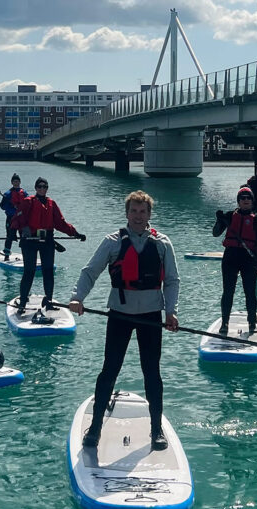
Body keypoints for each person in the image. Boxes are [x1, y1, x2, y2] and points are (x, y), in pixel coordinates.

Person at [69, 191, 180, 451]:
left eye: (143, 212)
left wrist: (171, 311)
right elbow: (90, 272)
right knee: (110, 370)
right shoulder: (112, 242)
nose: (138, 216)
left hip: (151, 317)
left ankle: (156, 429)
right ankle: (95, 427)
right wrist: (77, 298)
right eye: (134, 211)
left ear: (149, 214)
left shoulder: (162, 243)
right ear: (127, 213)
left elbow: (172, 280)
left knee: (152, 373)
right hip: (120, 314)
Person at [10, 176, 85, 312]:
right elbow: (17, 218)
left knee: (48, 271)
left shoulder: (51, 203)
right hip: (30, 241)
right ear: (36, 188)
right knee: (29, 271)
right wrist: (14, 232)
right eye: (40, 186)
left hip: (47, 241)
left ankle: (48, 301)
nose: (42, 189)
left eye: (44, 187)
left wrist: (75, 233)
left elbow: (60, 223)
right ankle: (22, 303)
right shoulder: (28, 202)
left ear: (47, 188)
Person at [213, 187, 257, 334]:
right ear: (238, 201)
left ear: (252, 201)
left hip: (249, 259)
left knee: (250, 292)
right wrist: (219, 221)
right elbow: (216, 233)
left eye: (248, 198)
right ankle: (224, 323)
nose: (246, 200)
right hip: (231, 257)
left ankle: (251, 323)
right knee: (228, 291)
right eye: (243, 198)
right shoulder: (229, 216)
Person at [0, 173, 27, 261]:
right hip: (11, 218)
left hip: (21, 219)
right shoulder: (7, 194)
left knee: (24, 237)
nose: (16, 183)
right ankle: (6, 256)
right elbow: (2, 206)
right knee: (9, 236)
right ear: (11, 182)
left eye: (17, 181)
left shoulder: (24, 193)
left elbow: (29, 205)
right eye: (14, 181)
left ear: (20, 182)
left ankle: (26, 255)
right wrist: (10, 205)